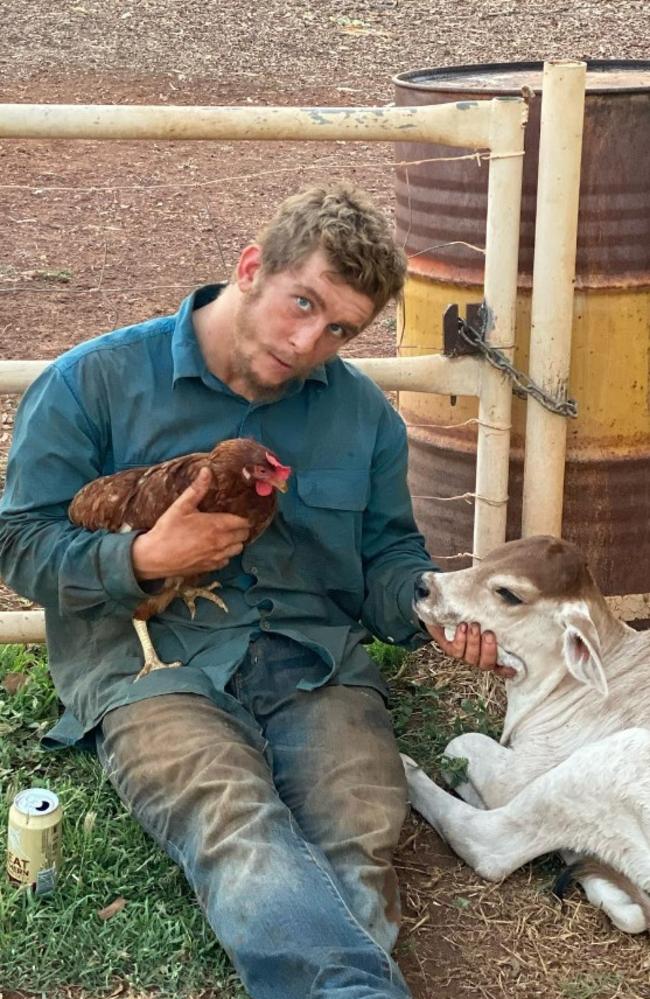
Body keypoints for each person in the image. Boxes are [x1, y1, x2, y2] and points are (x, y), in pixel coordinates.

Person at [0, 184, 503, 999]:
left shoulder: (362, 416)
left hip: (316, 662)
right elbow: (16, 541)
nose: (309, 342)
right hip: (151, 666)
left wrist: (431, 606)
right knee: (233, 821)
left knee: (357, 828)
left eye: (340, 327)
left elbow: (388, 554)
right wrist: (142, 557)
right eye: (301, 304)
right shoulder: (92, 383)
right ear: (249, 269)